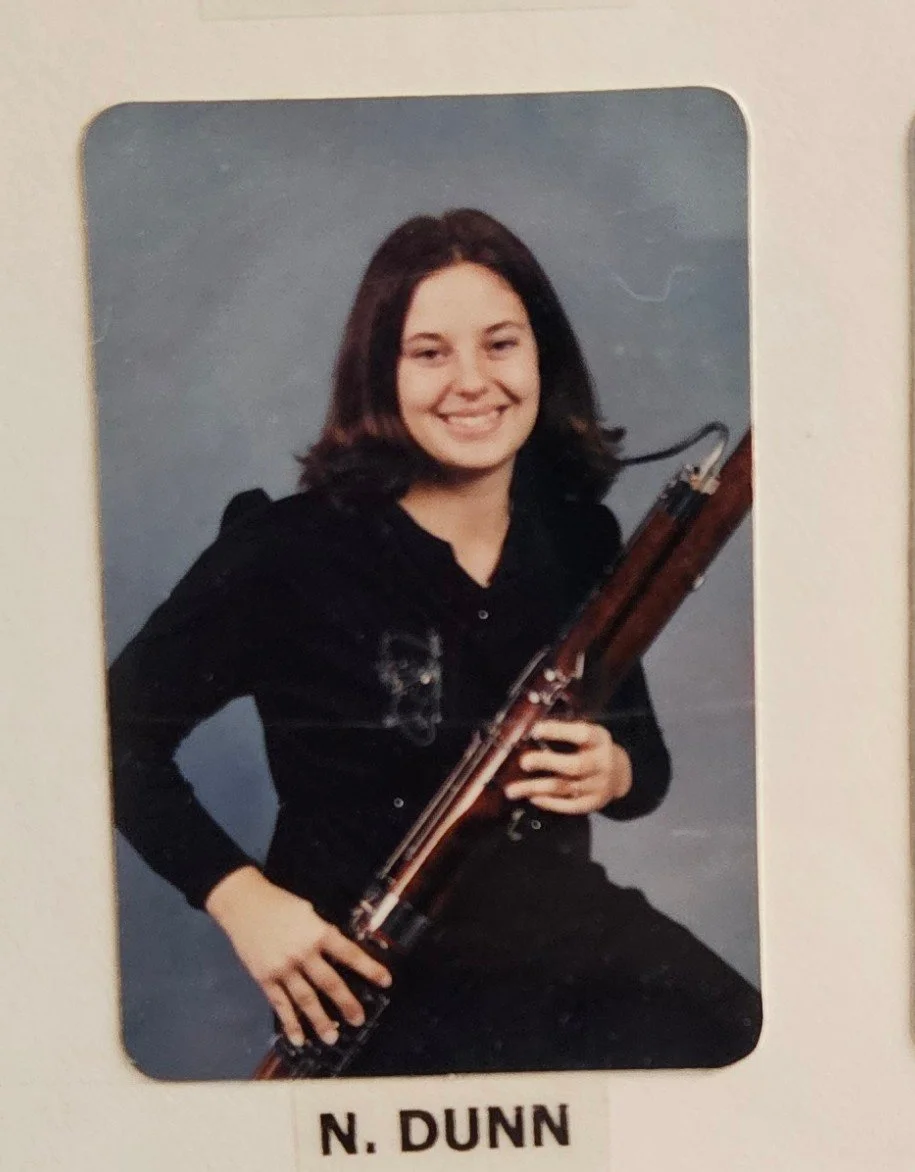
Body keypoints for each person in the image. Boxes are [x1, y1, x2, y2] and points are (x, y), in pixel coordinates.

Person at [108, 208, 761, 1077]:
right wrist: (242, 900)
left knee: (754, 1056)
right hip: (370, 983)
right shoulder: (285, 553)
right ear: (380, 372)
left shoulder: (577, 538)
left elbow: (645, 769)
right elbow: (110, 740)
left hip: (565, 953)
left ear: (542, 360)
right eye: (429, 352)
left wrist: (614, 768)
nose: (471, 382)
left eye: (500, 345)